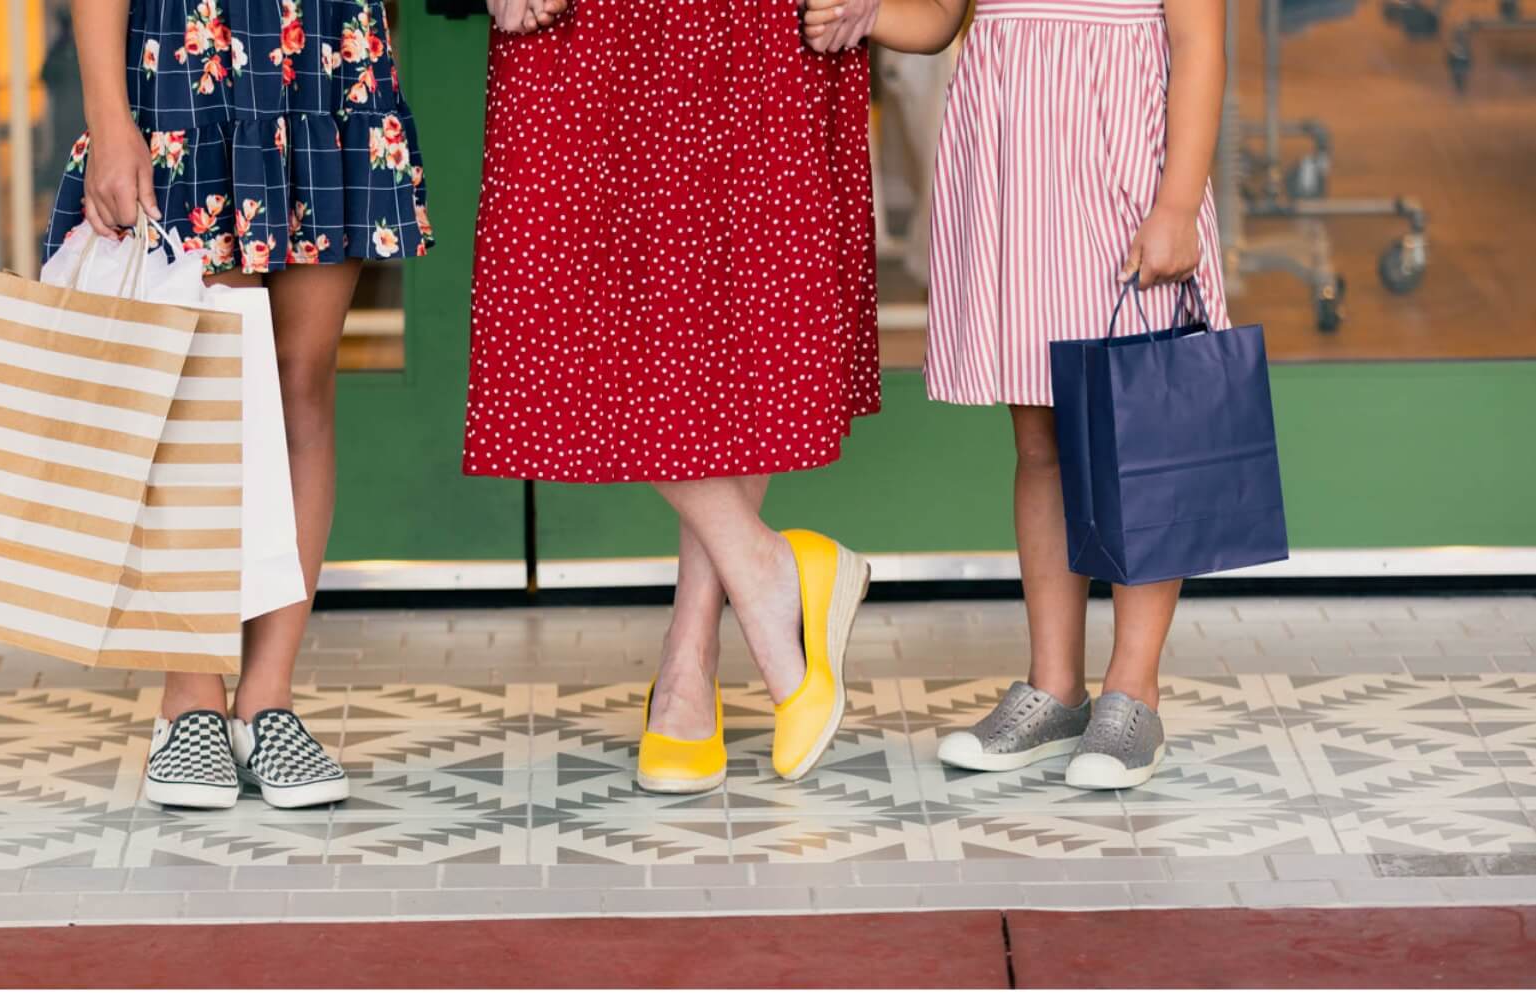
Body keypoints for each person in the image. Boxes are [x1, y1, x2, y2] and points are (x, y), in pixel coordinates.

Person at [804, 0, 1230, 788]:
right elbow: (938, 18)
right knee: (1039, 441)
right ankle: (1053, 687)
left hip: (1119, 170)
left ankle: (1132, 691)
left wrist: (1176, 204)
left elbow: (1198, 42)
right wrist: (862, 12)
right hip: (1012, 165)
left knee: (1135, 438)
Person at [468, 0, 885, 792]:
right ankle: (765, 572)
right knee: (569, 296)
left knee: (734, 311)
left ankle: (690, 659)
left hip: (748, 20)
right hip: (586, 21)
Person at [43, 0, 434, 809]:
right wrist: (109, 119)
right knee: (201, 391)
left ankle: (268, 698)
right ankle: (189, 699)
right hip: (186, 58)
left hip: (326, 54)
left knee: (302, 382)